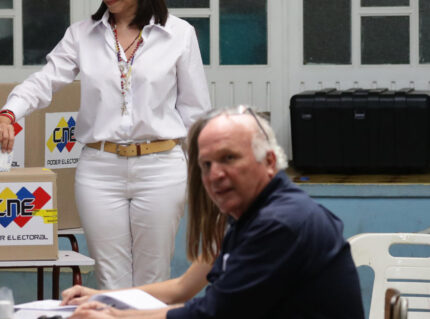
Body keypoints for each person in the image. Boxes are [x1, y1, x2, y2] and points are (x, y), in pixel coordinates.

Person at [0, 0, 210, 289]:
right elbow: (45, 80)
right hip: (99, 170)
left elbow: (196, 113)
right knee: (110, 280)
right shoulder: (82, 34)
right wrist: (9, 112)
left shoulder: (179, 35)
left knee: (153, 279)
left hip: (161, 168)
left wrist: (202, 174)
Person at [62, 105, 365, 319]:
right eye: (206, 165)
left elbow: (213, 313)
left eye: (229, 158)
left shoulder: (281, 224)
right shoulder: (248, 218)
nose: (215, 175)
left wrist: (115, 316)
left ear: (270, 161)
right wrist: (107, 302)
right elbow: (186, 291)